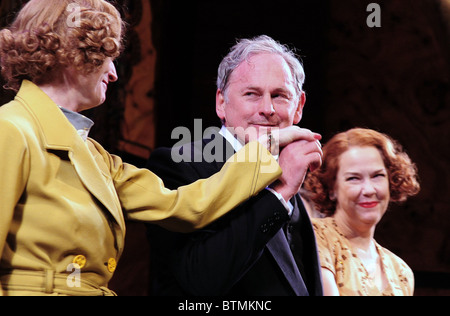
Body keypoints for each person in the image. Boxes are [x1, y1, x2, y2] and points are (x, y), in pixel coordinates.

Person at [0, 0, 309, 296]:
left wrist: (266, 160)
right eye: (107, 57)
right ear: (74, 54)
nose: (114, 73)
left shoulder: (97, 157)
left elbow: (185, 206)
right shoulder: (11, 129)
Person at [146, 35, 324, 296]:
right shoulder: (178, 165)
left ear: (299, 107)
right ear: (221, 102)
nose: (267, 108)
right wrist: (279, 194)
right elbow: (200, 280)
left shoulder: (291, 170)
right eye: (251, 94)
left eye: (280, 95)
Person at [304, 128, 420, 296]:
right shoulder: (316, 235)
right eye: (353, 178)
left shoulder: (401, 271)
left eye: (378, 176)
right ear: (331, 188)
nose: (368, 189)